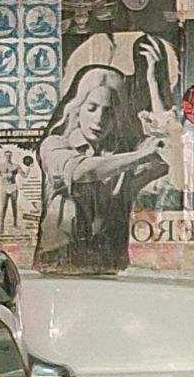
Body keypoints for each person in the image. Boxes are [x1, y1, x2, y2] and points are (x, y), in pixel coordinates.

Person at [34, 60, 167, 273]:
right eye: (92, 108)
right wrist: (140, 155)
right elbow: (81, 171)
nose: (99, 119)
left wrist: (154, 88)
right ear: (77, 109)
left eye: (110, 112)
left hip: (110, 262)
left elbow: (164, 162)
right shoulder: (54, 145)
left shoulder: (126, 151)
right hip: (60, 261)